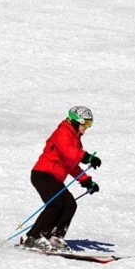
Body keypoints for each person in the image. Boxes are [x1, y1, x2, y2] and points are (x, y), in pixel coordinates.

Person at [24, 106, 102, 252]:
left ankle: (55, 236)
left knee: (70, 204)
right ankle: (34, 237)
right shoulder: (63, 132)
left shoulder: (75, 139)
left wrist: (86, 181)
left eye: (89, 125)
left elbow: (71, 164)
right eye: (85, 124)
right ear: (75, 121)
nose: (86, 128)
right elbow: (69, 152)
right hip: (43, 175)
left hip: (54, 178)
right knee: (55, 204)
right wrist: (87, 157)